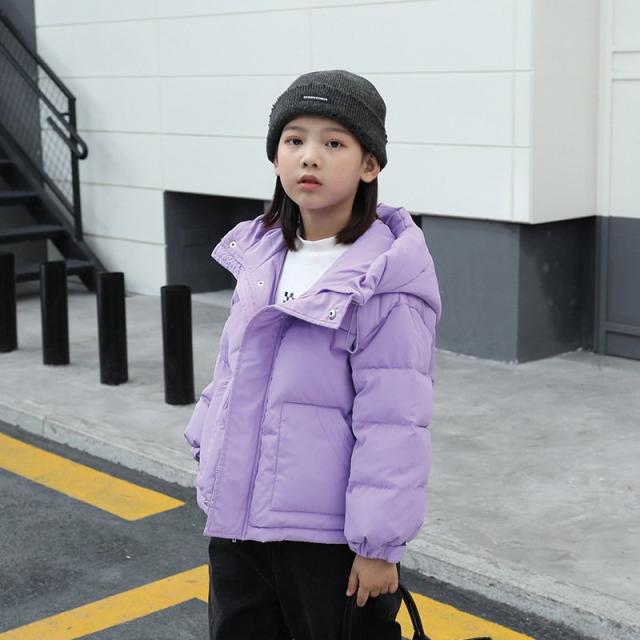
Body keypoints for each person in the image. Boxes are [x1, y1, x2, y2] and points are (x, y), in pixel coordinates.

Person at [184, 69, 442, 640]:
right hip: (240, 523)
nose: (310, 156)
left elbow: (394, 422)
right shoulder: (260, 256)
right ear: (275, 156)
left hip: (326, 542)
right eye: (294, 139)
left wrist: (378, 546)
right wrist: (207, 444)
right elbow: (231, 368)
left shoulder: (385, 278)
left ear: (369, 165)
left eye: (334, 143)